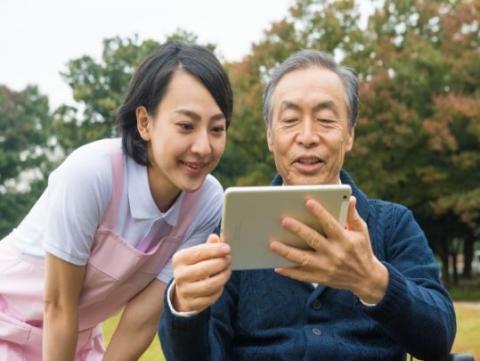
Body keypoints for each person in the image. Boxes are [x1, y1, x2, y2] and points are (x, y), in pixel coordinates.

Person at [159, 50, 456, 361]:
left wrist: (371, 279)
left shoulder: (393, 224)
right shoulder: (232, 230)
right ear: (271, 137)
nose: (308, 136)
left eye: (326, 120)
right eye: (289, 121)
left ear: (350, 135)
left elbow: (439, 337)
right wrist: (184, 306)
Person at [0, 42, 233, 361]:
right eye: (186, 126)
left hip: (76, 339)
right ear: (145, 122)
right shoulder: (92, 172)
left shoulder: (207, 201)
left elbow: (143, 318)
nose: (203, 146)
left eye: (217, 128)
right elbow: (58, 305)